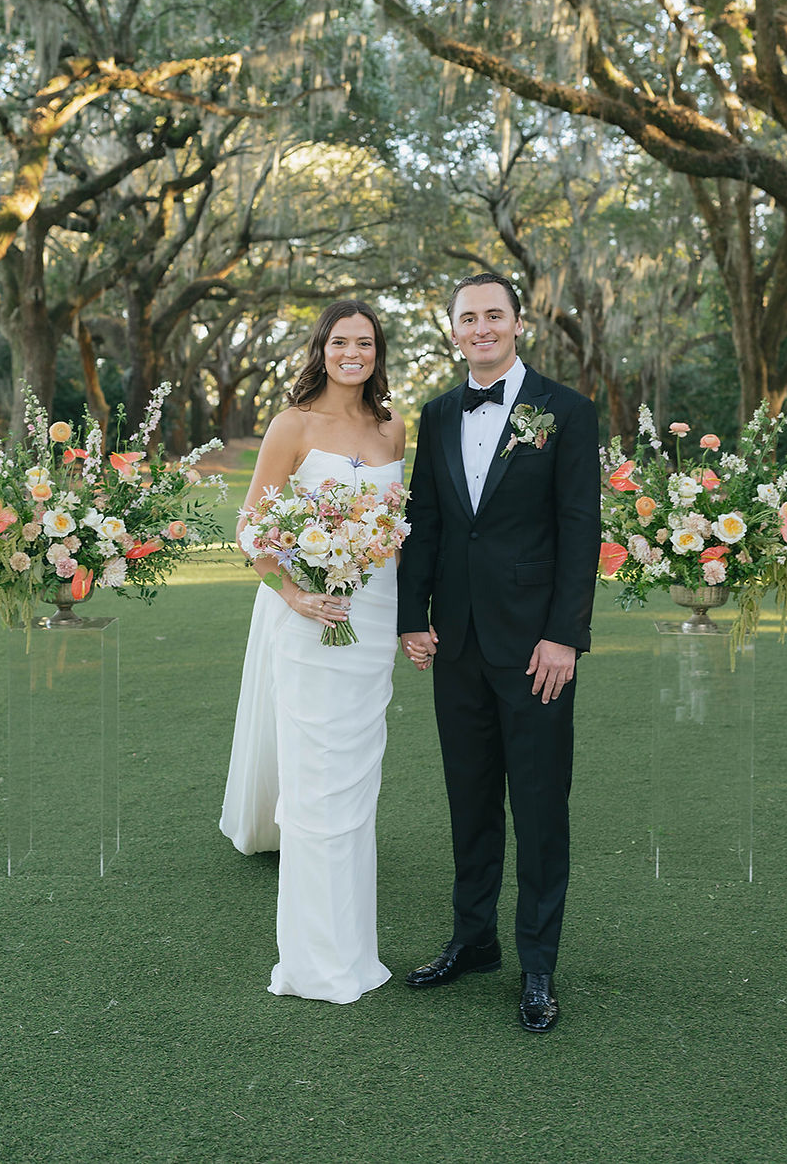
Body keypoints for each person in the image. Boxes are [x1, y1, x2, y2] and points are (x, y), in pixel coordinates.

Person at [397, 272, 601, 1032]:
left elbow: (580, 529)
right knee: (471, 799)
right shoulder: (437, 413)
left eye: (494, 314)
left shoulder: (567, 411)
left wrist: (565, 634)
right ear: (452, 330)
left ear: (519, 322)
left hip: (536, 647)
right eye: (467, 317)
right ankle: (472, 939)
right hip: (456, 643)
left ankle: (539, 965)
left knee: (541, 806)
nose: (481, 327)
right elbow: (428, 518)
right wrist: (412, 617)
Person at [220, 299, 406, 1004]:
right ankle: (312, 960)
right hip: (308, 621)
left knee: (358, 785)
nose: (352, 352)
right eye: (339, 341)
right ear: (321, 348)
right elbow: (253, 530)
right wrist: (297, 597)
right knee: (314, 785)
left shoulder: (393, 428)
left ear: (377, 351)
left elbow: (394, 529)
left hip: (373, 623)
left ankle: (356, 951)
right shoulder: (291, 425)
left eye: (364, 342)